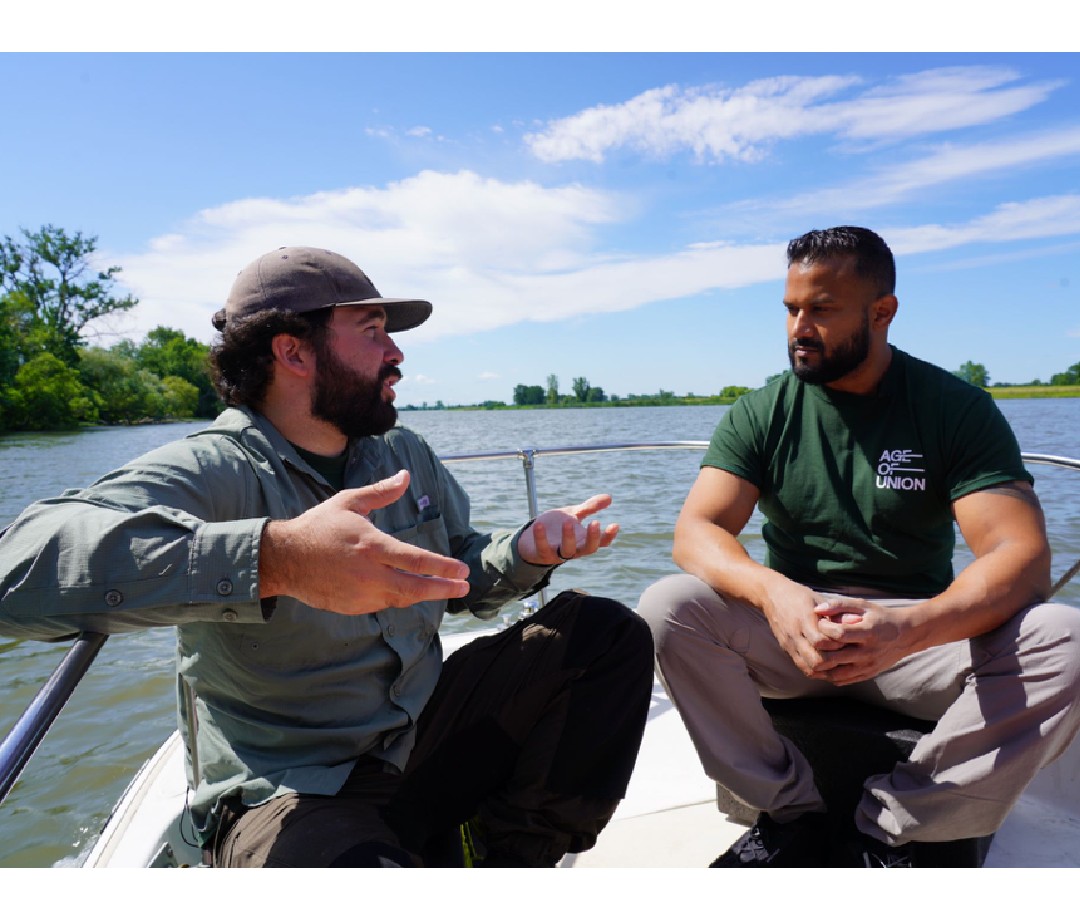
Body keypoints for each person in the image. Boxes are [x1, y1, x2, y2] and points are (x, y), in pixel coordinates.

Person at [0, 246, 655, 868]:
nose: (396, 353)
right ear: (293, 351)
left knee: (606, 636)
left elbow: (459, 576)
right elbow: (17, 569)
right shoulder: (213, 469)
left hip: (416, 740)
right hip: (289, 786)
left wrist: (522, 551)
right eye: (371, 331)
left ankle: (494, 862)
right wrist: (276, 557)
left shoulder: (403, 455)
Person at [637, 226, 1080, 868]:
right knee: (669, 606)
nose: (798, 327)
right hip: (796, 635)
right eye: (791, 309)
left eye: (820, 309)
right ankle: (788, 810)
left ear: (882, 312)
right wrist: (777, 594)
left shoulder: (953, 408)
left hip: (918, 641)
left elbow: (1020, 554)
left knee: (1064, 639)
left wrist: (911, 626)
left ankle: (902, 825)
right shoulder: (762, 411)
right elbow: (697, 531)